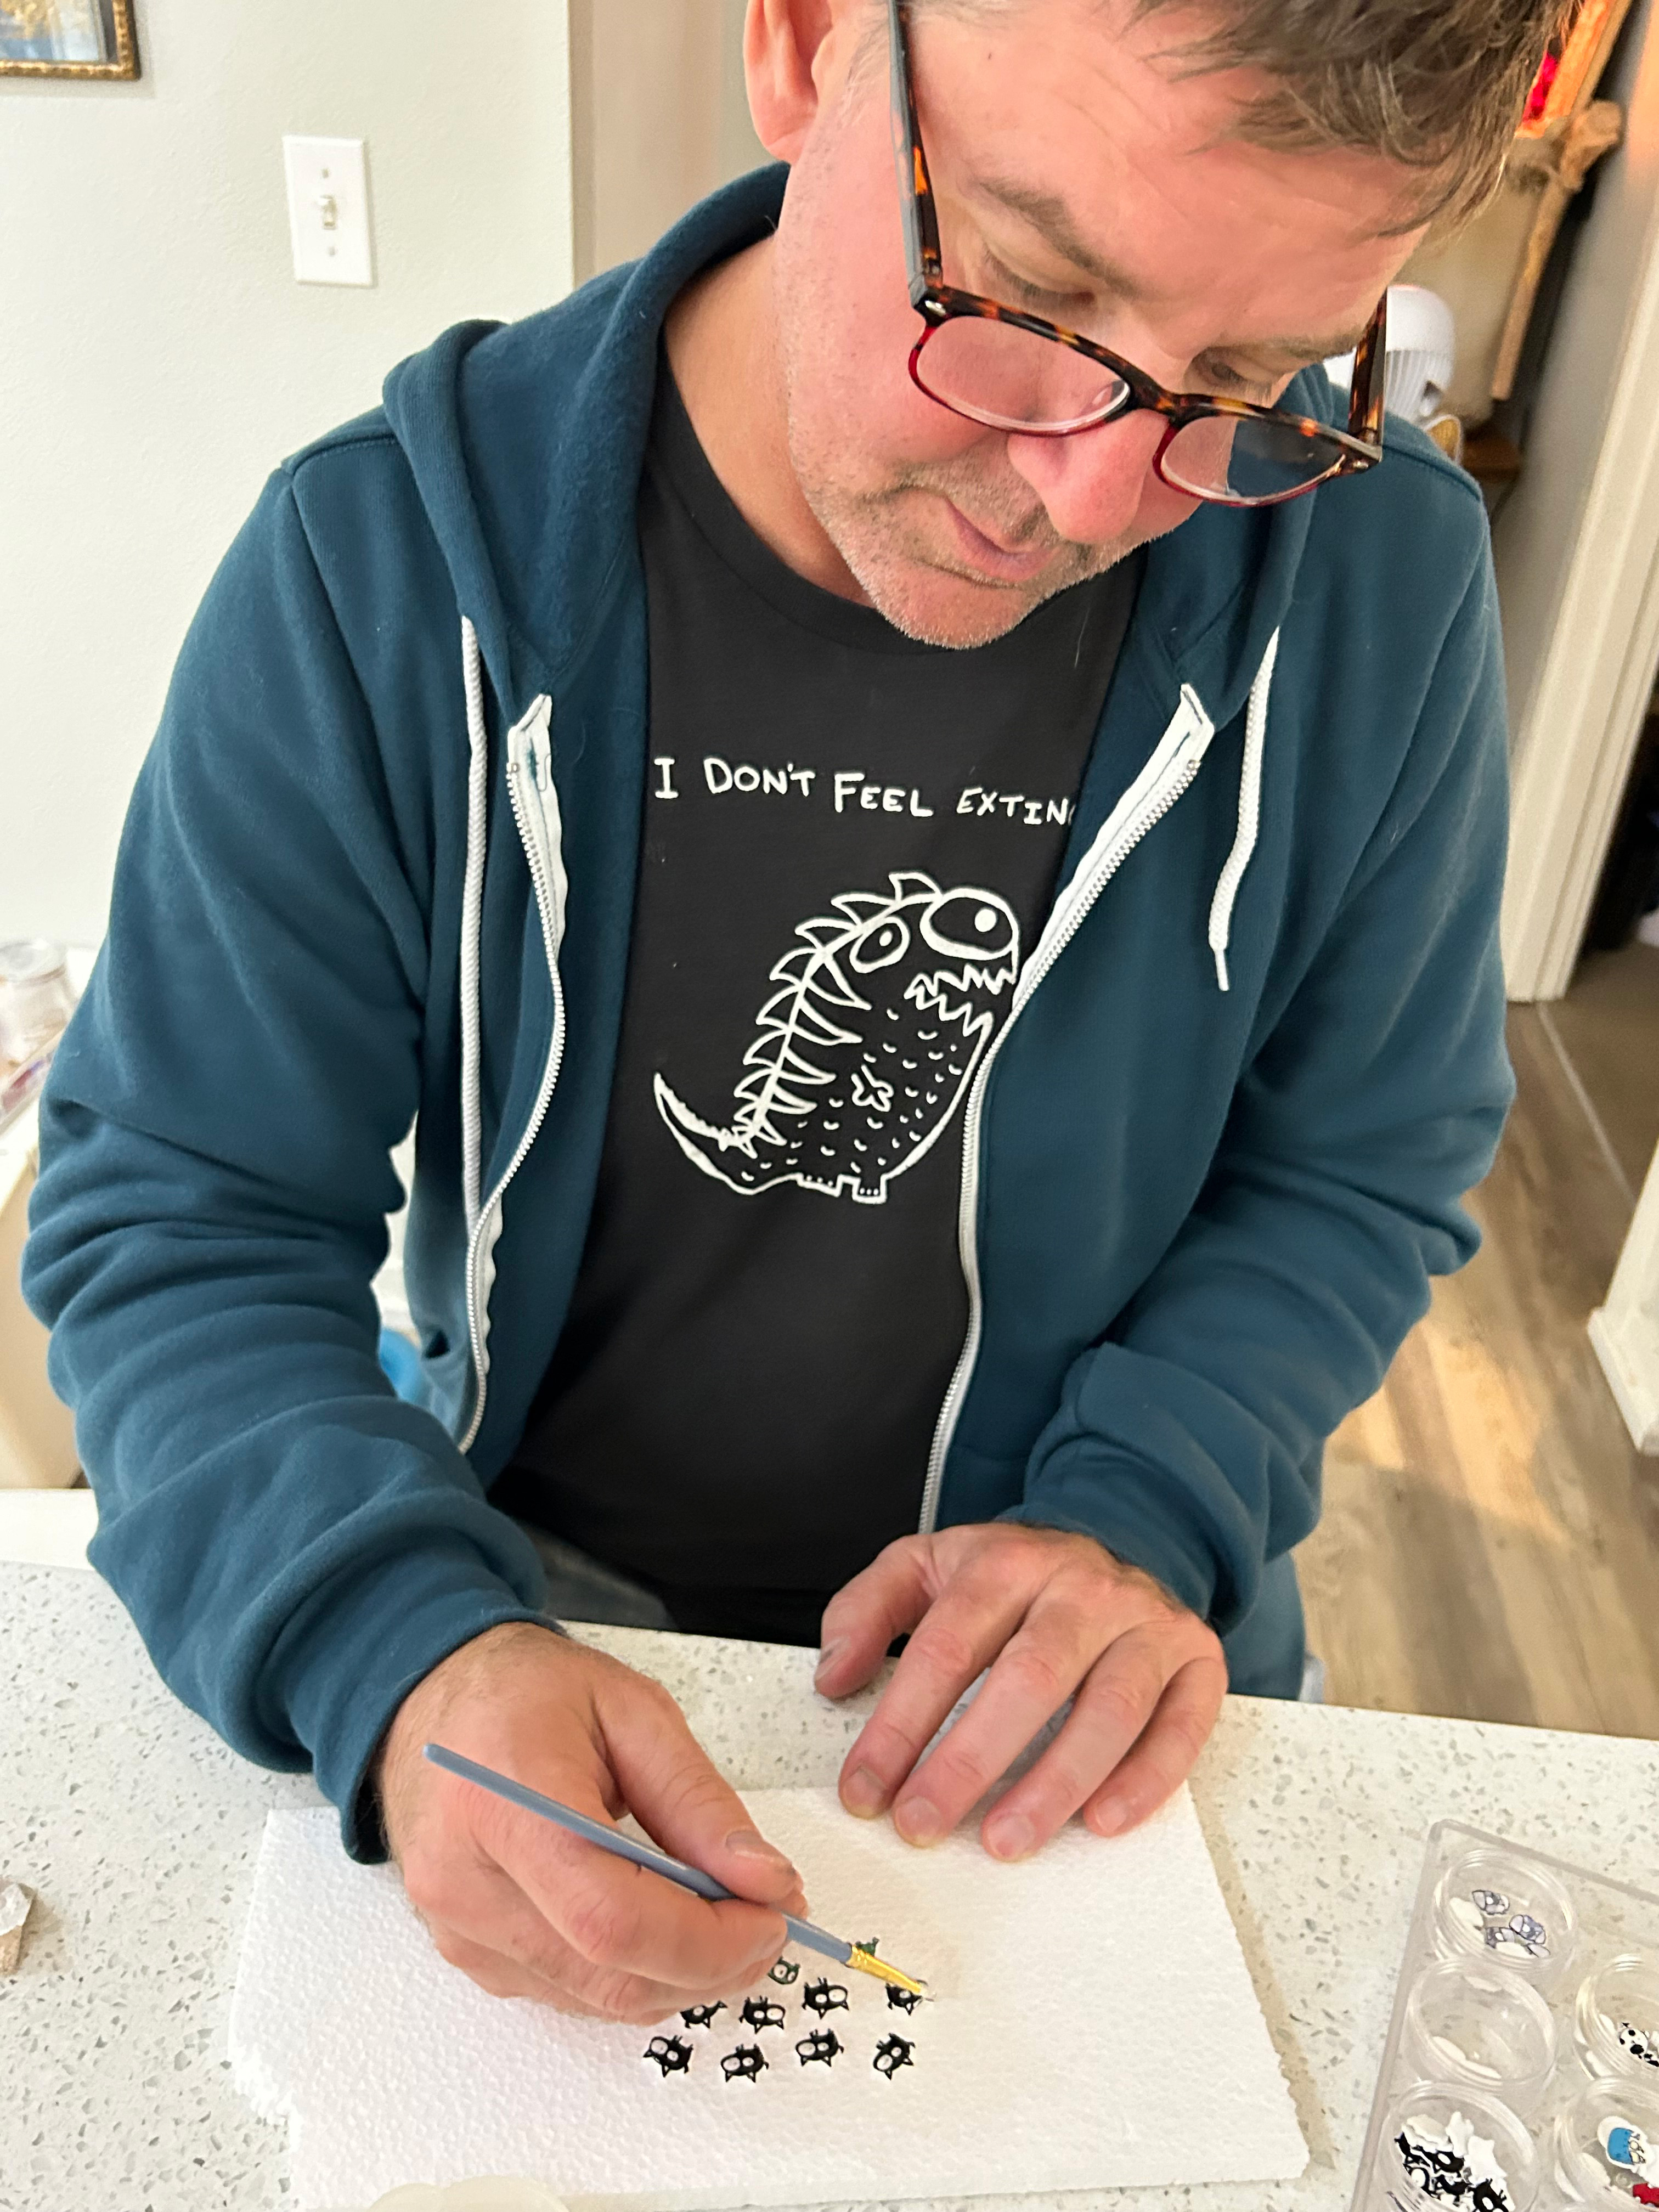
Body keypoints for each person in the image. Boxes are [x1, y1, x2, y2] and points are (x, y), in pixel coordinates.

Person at [25, 0, 1543, 2025]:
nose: (1091, 501)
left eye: (1250, 378)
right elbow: (180, 1212)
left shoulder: (1376, 580)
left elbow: (1361, 1159)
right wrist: (381, 1632)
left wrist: (1150, 1505)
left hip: (1089, 1633)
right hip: (519, 1592)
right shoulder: (377, 567)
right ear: (813, 42)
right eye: (1031, 286)